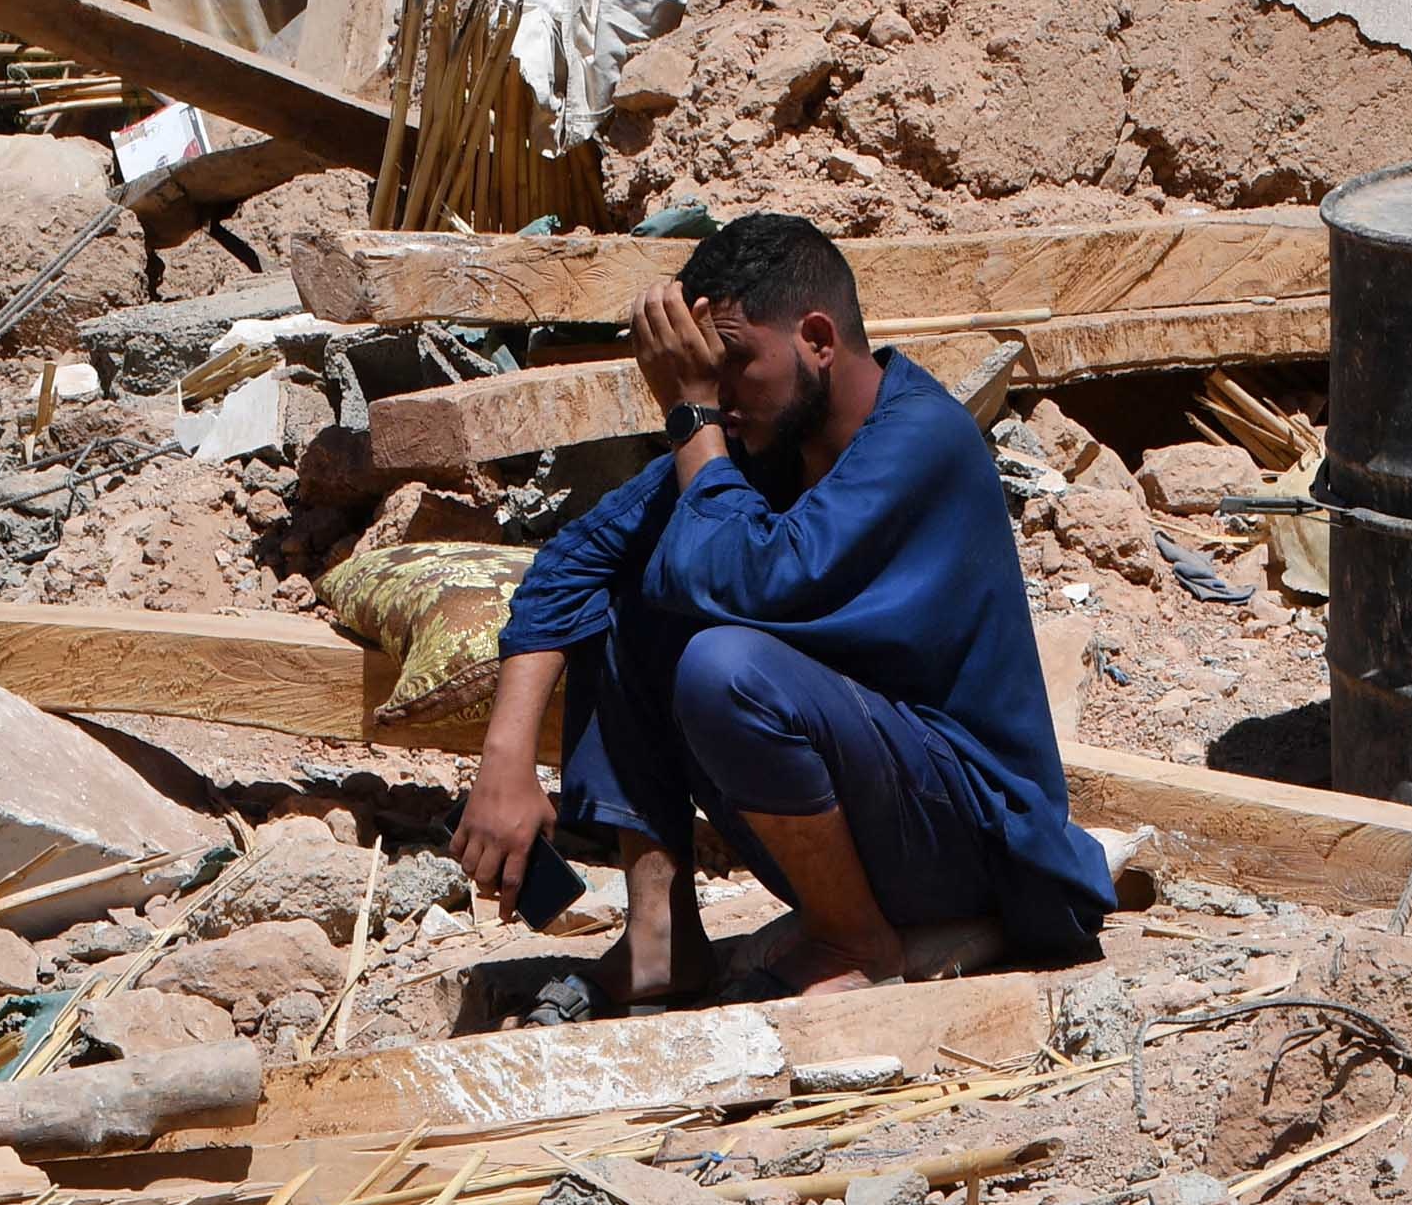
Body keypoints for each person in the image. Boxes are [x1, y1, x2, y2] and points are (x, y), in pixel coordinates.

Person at [447, 212, 1112, 1001]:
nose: (721, 400)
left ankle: (854, 941)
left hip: (978, 837)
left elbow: (760, 576)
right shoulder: (767, 445)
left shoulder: (921, 440)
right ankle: (663, 939)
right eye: (703, 375)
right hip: (872, 815)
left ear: (819, 340)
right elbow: (572, 563)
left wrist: (691, 417)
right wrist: (507, 764)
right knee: (636, 593)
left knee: (724, 664)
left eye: (734, 366)